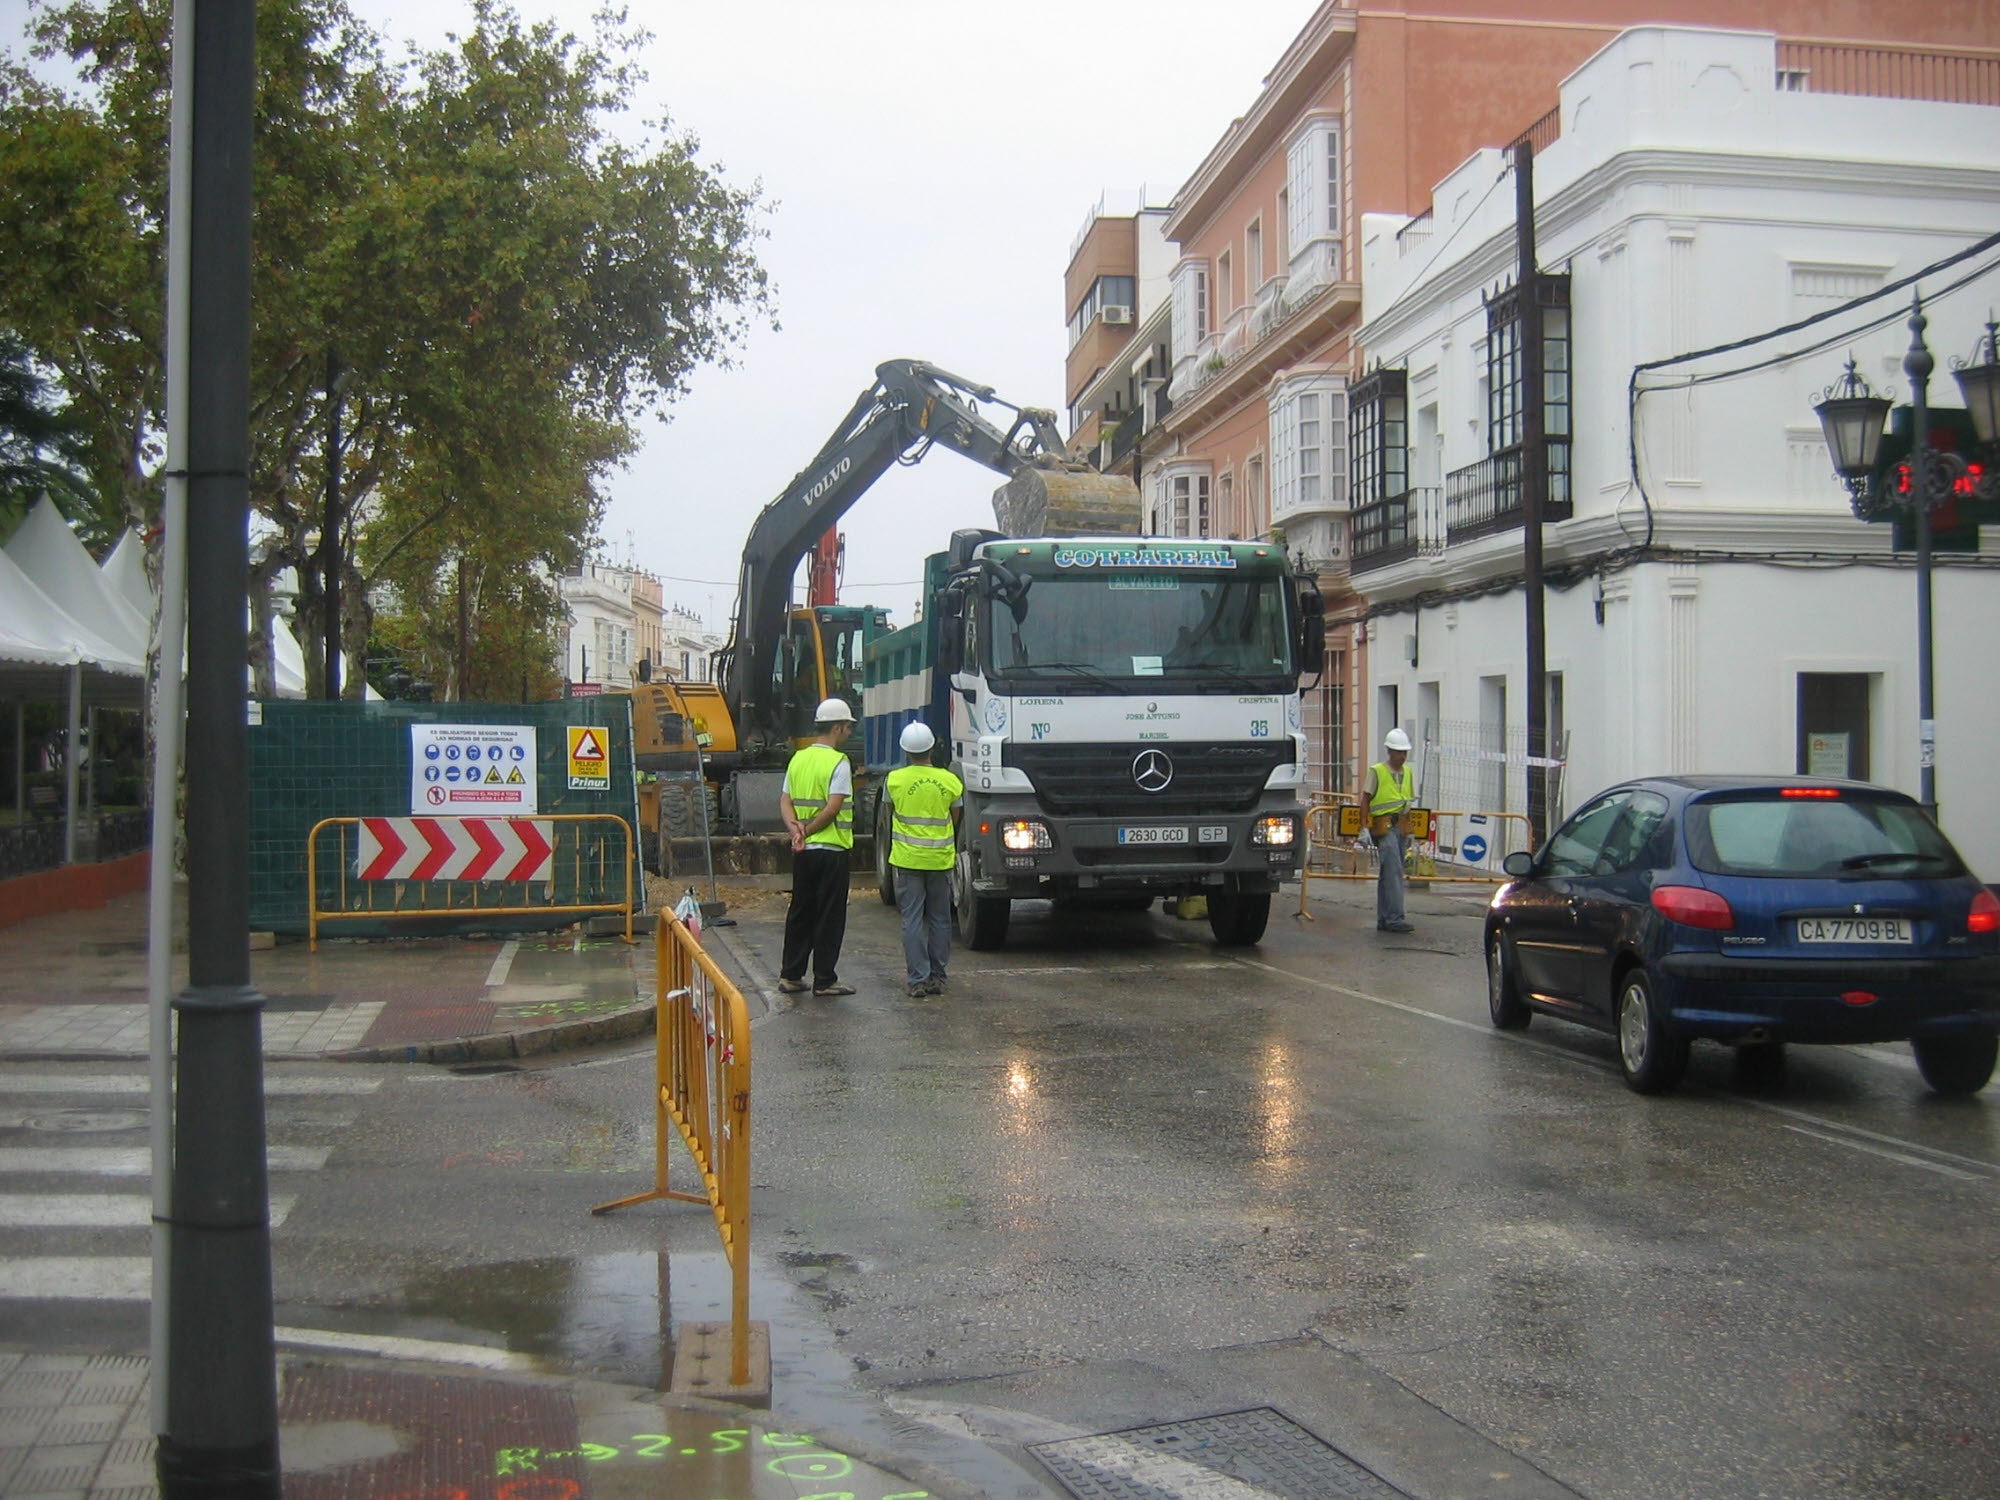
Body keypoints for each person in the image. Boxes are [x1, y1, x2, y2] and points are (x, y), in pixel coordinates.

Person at [778, 698, 857, 996]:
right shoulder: (839, 762)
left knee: (800, 910)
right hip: (831, 851)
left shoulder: (798, 758)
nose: (849, 732)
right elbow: (833, 807)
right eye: (847, 727)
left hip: (805, 852)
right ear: (836, 727)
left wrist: (795, 830)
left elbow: (785, 800)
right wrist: (808, 831)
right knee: (829, 916)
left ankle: (791, 974)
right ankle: (825, 979)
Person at [884, 721, 963, 998]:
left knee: (912, 919)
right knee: (941, 919)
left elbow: (889, 811)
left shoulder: (894, 780)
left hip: (907, 859)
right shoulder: (950, 781)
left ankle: (917, 979)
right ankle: (938, 977)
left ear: (905, 750)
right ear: (932, 747)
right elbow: (955, 817)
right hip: (939, 859)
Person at [1361, 727, 1417, 933]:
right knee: (1394, 872)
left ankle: (1384, 918)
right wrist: (1364, 828)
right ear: (1389, 751)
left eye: (1404, 752)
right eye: (1398, 751)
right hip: (1383, 827)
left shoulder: (1408, 773)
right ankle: (1395, 918)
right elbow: (1365, 799)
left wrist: (1410, 831)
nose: (1402, 756)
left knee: (1388, 873)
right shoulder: (1377, 771)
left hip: (1400, 827)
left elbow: (1407, 802)